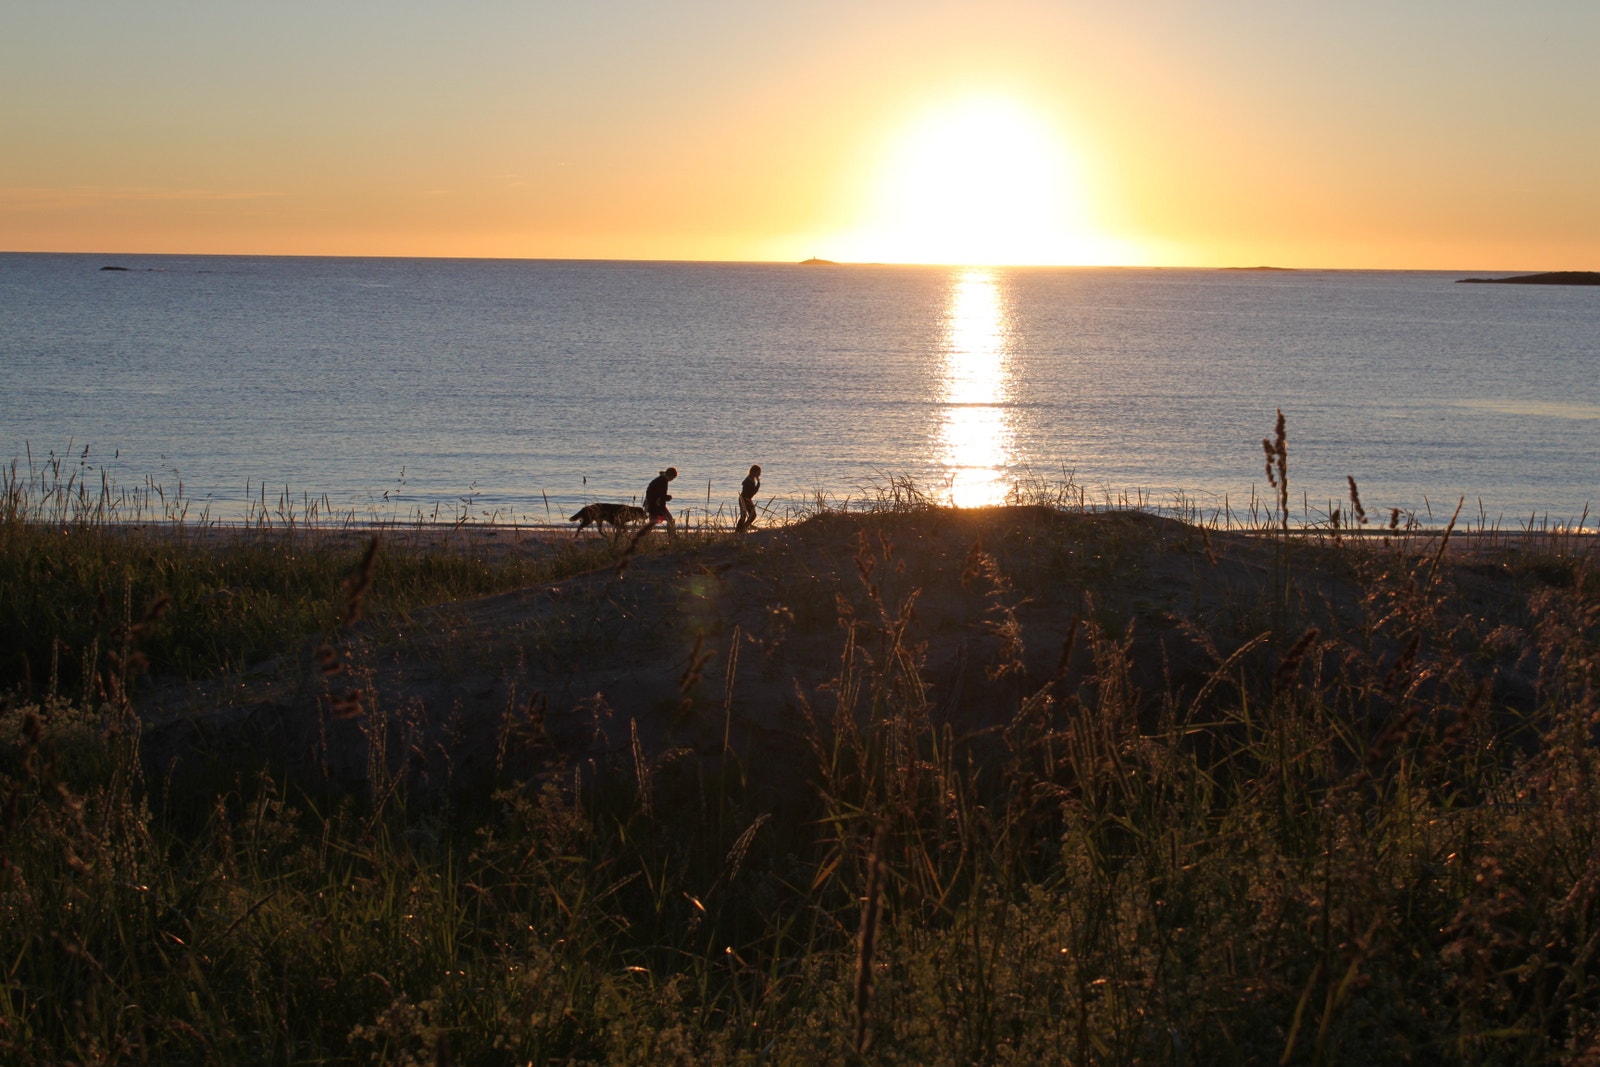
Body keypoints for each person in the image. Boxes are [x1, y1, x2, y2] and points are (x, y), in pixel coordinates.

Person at [644, 466, 677, 537]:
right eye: (673, 478)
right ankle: (672, 536)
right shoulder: (663, 481)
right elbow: (660, 494)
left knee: (652, 522)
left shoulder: (660, 479)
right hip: (655, 504)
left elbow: (656, 493)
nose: (672, 480)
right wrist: (668, 497)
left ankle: (644, 536)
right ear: (671, 476)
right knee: (669, 519)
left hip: (652, 503)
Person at [735, 464, 761, 532]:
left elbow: (751, 492)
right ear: (754, 472)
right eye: (758, 472)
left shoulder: (751, 479)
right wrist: (758, 484)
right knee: (749, 515)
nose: (759, 474)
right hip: (745, 499)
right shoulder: (749, 480)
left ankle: (741, 529)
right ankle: (741, 529)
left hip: (746, 499)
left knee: (747, 516)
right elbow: (752, 492)